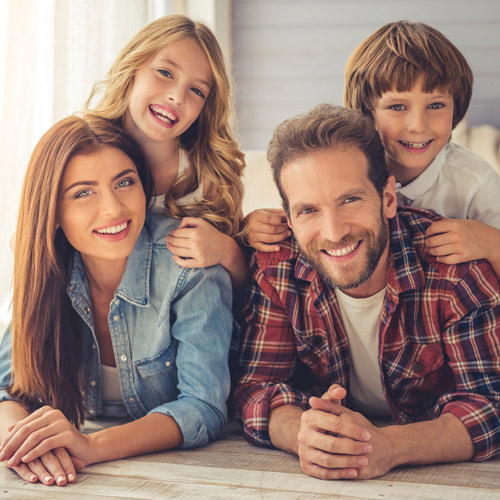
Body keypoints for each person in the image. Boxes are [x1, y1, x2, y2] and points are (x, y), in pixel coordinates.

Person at [234, 104, 500, 481]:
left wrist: (389, 446)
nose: (333, 231)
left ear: (388, 198)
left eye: (350, 200)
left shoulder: (455, 268)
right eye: (308, 210)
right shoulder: (276, 268)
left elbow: (492, 407)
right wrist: (301, 434)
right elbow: (255, 389)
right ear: (289, 218)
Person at [0, 116, 232, 486]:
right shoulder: (45, 268)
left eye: (124, 182)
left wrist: (90, 445)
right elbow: (6, 388)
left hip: (183, 477)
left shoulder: (188, 265)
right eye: (83, 192)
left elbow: (202, 407)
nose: (113, 209)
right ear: (52, 212)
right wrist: (23, 443)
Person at [85, 14, 248, 289]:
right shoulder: (82, 151)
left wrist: (226, 251)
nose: (177, 96)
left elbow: (243, 289)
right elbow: (27, 241)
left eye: (196, 90)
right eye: (165, 73)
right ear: (133, 66)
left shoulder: (209, 177)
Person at [343, 20, 500, 279]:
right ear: (367, 112)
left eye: (436, 105)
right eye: (397, 107)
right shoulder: (347, 169)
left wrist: (492, 243)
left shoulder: (476, 183)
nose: (418, 126)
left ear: (456, 107)